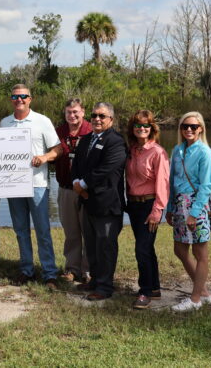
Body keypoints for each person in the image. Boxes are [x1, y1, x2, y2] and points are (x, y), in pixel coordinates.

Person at [0, 84, 61, 288]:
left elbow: (57, 150)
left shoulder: (42, 121)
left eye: (24, 96)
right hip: (13, 185)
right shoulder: (4, 123)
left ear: (30, 99)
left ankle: (49, 272)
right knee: (20, 230)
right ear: (11, 99)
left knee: (43, 230)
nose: (20, 100)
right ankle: (26, 270)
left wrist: (44, 157)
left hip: (38, 185)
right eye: (16, 96)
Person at [71, 102, 127, 301]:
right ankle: (94, 280)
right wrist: (77, 182)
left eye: (102, 116)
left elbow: (107, 169)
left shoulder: (116, 141)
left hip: (107, 204)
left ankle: (105, 287)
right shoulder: (86, 140)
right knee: (92, 245)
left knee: (105, 246)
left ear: (110, 119)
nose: (97, 119)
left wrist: (84, 184)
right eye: (94, 115)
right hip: (87, 202)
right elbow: (76, 164)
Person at [167, 111, 211, 312]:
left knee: (199, 252)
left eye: (193, 127)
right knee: (179, 249)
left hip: (196, 205)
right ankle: (203, 292)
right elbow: (171, 182)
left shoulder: (205, 152)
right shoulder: (177, 151)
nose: (189, 129)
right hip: (179, 204)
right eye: (185, 126)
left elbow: (206, 185)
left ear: (201, 129)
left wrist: (194, 213)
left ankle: (195, 299)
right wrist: (170, 208)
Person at [125, 110, 169, 309]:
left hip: (150, 205)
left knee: (141, 248)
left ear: (152, 129)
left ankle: (144, 292)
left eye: (146, 126)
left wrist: (157, 210)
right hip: (133, 205)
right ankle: (154, 287)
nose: (142, 129)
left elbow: (163, 183)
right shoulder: (132, 150)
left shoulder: (158, 152)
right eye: (137, 125)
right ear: (132, 129)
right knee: (146, 248)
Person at [54, 98, 92, 283]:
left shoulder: (92, 131)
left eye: (76, 111)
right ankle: (72, 268)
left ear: (83, 112)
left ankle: (88, 270)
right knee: (71, 232)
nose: (72, 115)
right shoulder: (58, 132)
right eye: (69, 112)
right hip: (66, 189)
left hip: (87, 191)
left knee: (89, 230)